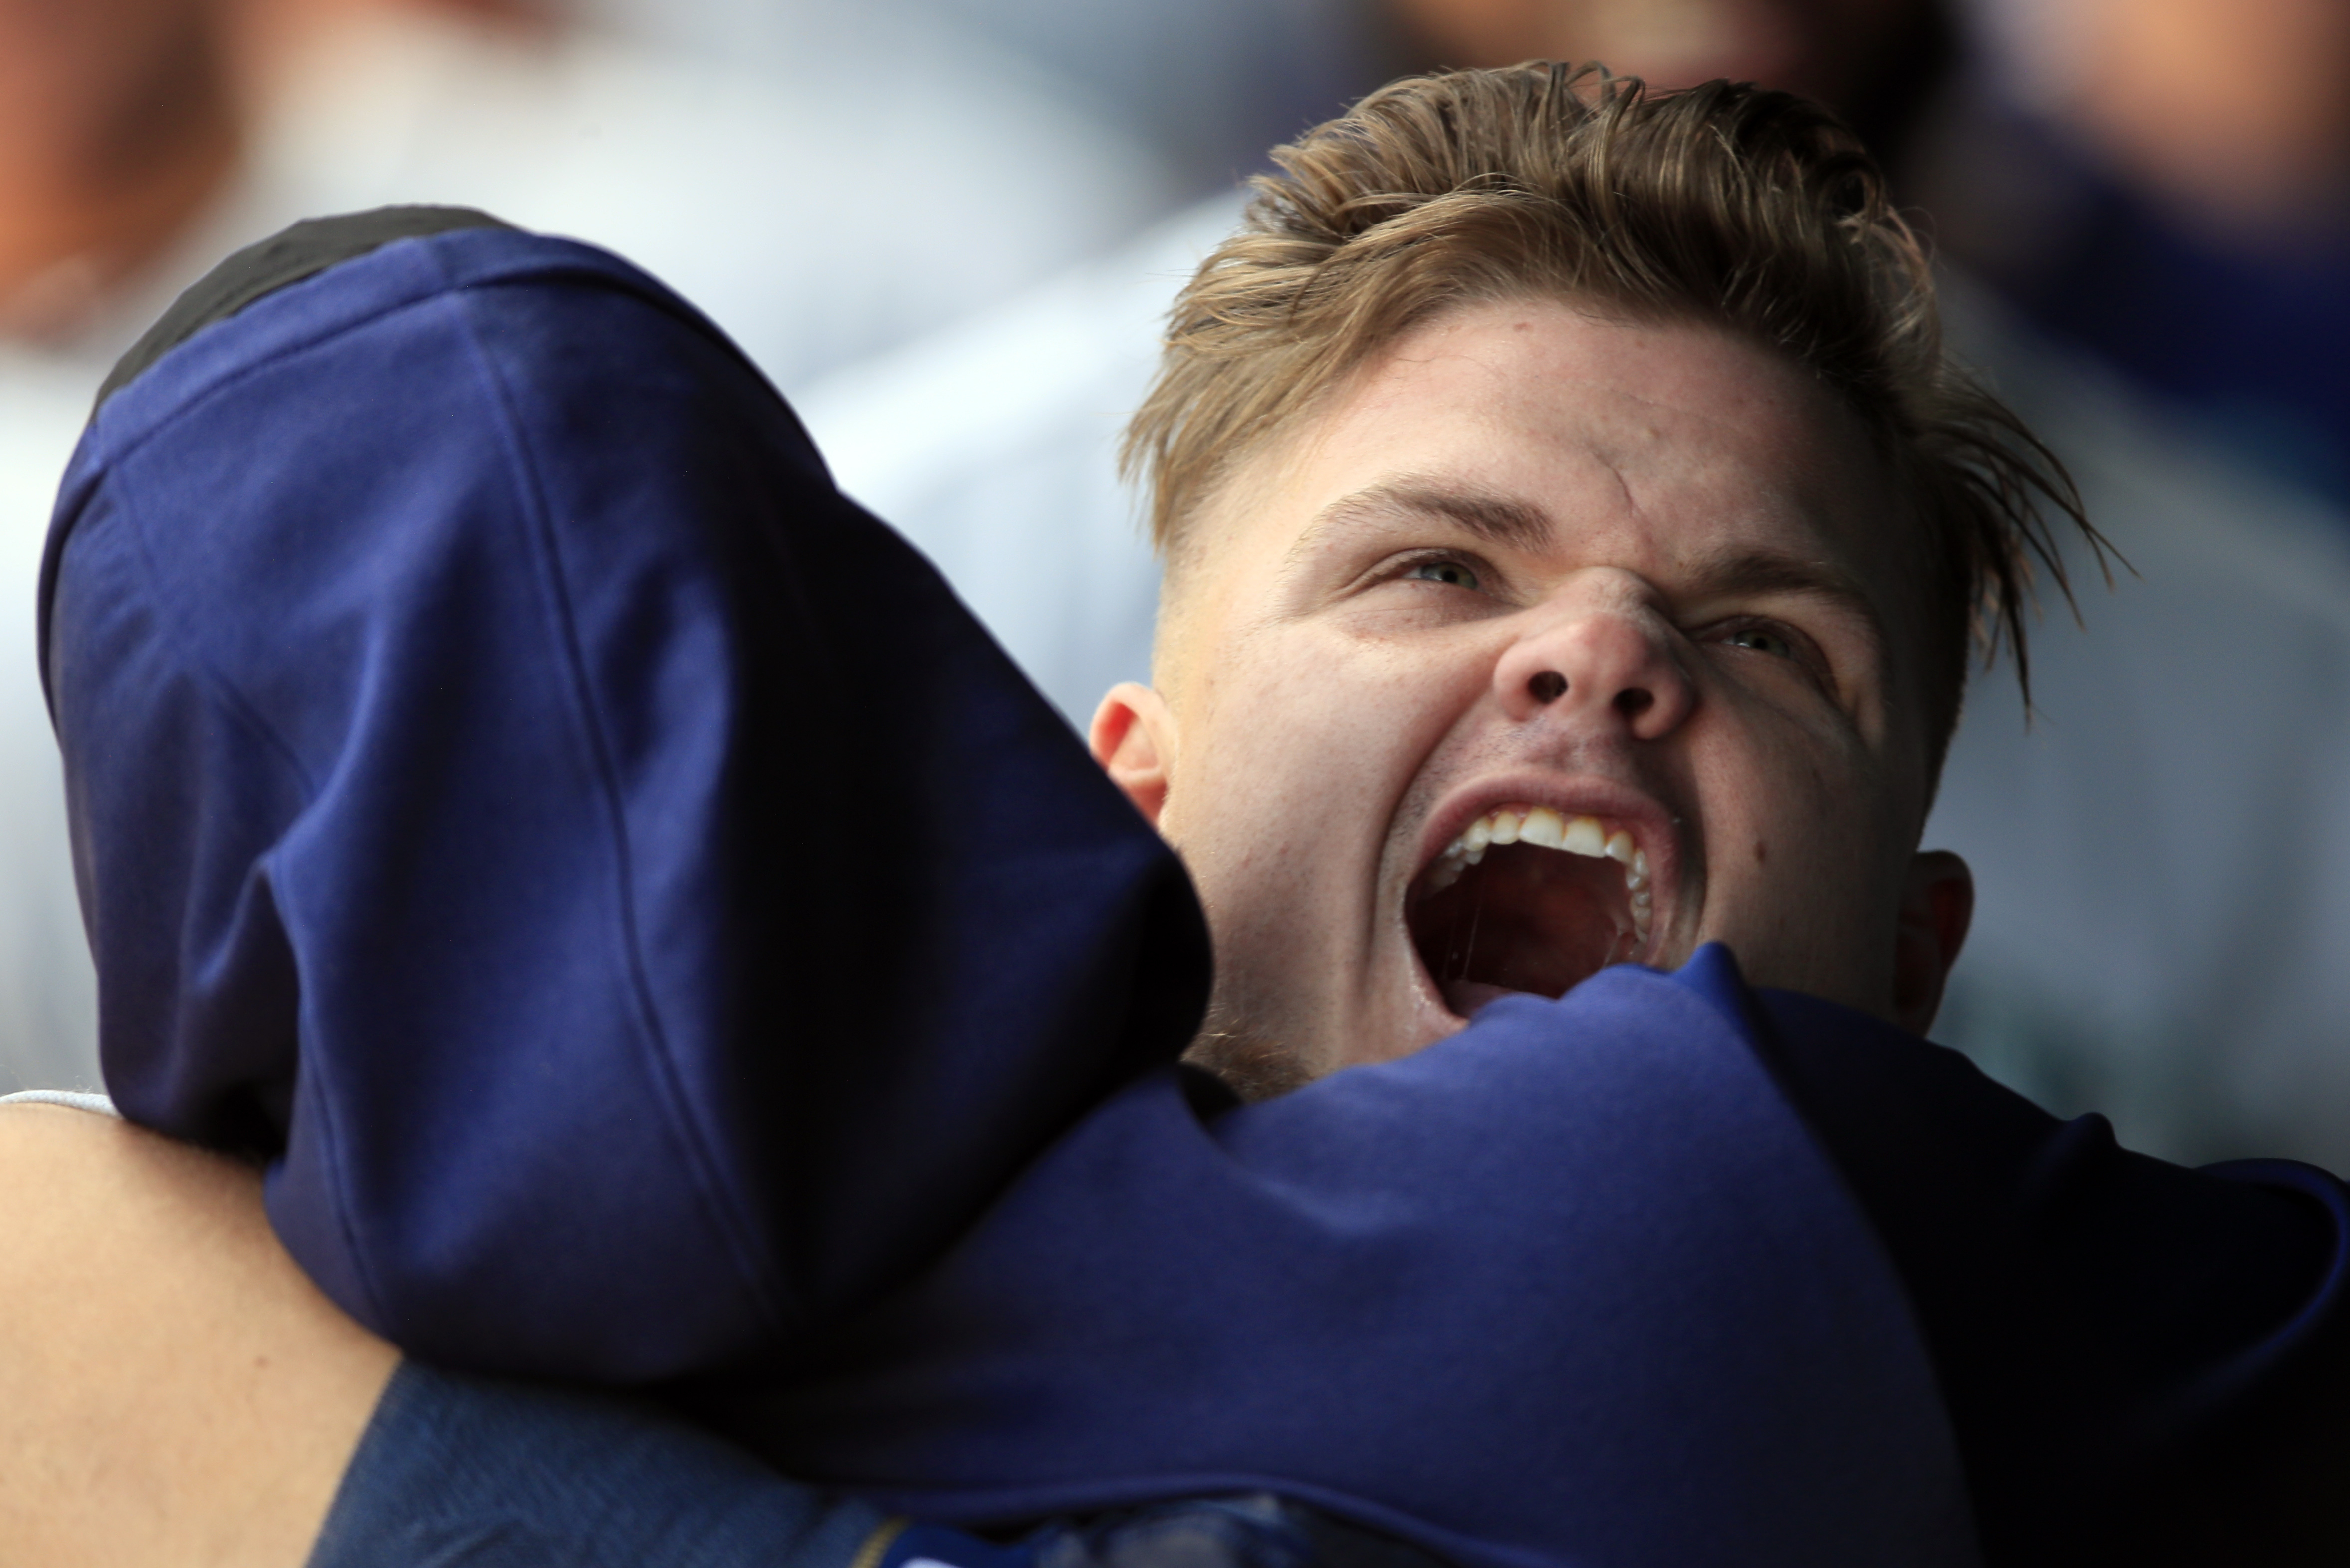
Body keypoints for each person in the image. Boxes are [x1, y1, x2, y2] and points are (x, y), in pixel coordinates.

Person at [8, 64, 2350, 1568]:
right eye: (1431, 569)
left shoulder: (1802, 1239)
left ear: (1915, 975)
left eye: (1766, 648)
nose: (1603, 654)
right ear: (1122, 790)